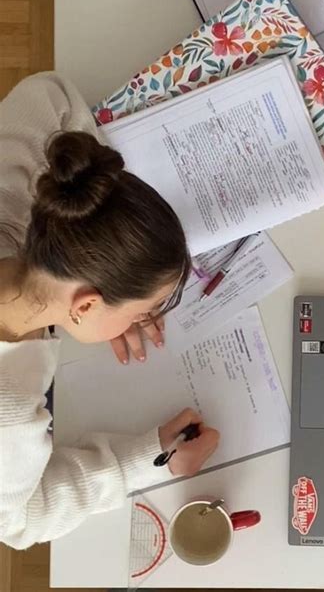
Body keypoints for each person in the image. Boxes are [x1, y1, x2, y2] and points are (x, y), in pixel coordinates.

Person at [0, 72, 220, 550]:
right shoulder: (10, 416)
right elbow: (19, 521)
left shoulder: (13, 211)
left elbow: (51, 95)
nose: (144, 321)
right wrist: (148, 459)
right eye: (142, 310)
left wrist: (111, 296)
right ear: (86, 303)